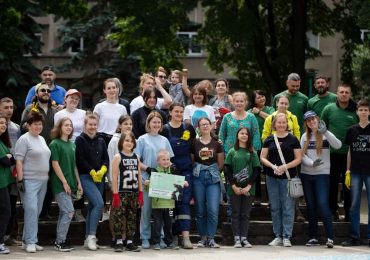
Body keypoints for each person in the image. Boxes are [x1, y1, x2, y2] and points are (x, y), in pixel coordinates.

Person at [300, 111, 341, 248]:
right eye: (308, 120)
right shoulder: (304, 136)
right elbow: (302, 155)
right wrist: (312, 163)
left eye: (313, 119)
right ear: (306, 123)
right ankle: (313, 237)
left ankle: (330, 237)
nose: (311, 122)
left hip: (322, 175)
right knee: (311, 206)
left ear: (318, 120)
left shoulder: (325, 134)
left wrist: (326, 132)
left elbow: (338, 145)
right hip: (306, 174)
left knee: (323, 203)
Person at [260, 113, 302, 247]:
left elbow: (298, 159)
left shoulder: (293, 139)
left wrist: (284, 167)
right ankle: (277, 235)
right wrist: (273, 166)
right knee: (275, 207)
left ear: (287, 124)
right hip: (272, 177)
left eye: (284, 122)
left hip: (288, 178)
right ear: (274, 124)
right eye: (279, 122)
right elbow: (262, 157)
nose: (281, 125)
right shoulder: (269, 139)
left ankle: (286, 236)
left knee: (288, 207)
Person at [134, 111, 174, 249]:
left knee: (162, 211)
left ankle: (160, 237)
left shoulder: (165, 140)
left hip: (162, 181)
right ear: (148, 123)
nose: (156, 124)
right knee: (146, 211)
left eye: (159, 122)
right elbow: (136, 161)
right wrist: (148, 169)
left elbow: (169, 161)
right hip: (147, 180)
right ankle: (144, 237)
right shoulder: (142, 139)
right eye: (154, 122)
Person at [321, 84, 358, 221]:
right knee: (332, 184)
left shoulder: (356, 110)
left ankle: (349, 214)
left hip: (351, 155)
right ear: (336, 93)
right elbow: (321, 129)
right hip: (331, 154)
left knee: (349, 185)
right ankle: (332, 211)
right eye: (341, 92)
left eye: (346, 92)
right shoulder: (328, 109)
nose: (343, 94)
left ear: (350, 95)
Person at [15, 112, 51, 253]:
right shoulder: (24, 139)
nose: (38, 126)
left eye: (40, 124)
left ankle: (27, 239)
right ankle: (31, 241)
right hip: (29, 181)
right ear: (28, 125)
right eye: (35, 124)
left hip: (43, 181)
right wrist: (20, 180)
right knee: (31, 210)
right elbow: (19, 160)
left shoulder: (42, 139)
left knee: (36, 212)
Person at [161, 103, 196, 249]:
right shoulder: (165, 129)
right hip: (170, 171)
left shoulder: (189, 128)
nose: (179, 114)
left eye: (181, 112)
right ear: (170, 112)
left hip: (186, 171)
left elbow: (193, 151)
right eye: (176, 111)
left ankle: (186, 238)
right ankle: (173, 237)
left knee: (184, 203)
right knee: (171, 205)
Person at [21, 82, 57, 221]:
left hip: (50, 151)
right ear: (37, 93)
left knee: (48, 184)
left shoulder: (55, 110)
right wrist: (33, 118)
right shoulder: (30, 108)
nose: (46, 92)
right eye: (43, 90)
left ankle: (44, 212)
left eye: (48, 90)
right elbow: (23, 128)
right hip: (34, 153)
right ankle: (33, 213)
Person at [75, 113, 109, 251]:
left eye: (95, 124)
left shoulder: (101, 140)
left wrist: (103, 169)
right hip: (86, 176)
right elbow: (80, 159)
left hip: (99, 177)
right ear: (85, 125)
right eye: (90, 124)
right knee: (99, 203)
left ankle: (87, 238)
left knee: (92, 207)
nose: (92, 127)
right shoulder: (79, 140)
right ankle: (92, 236)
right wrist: (91, 171)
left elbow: (105, 158)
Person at [49, 117, 83, 252]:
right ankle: (60, 241)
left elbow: (74, 165)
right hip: (59, 184)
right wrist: (64, 182)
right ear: (60, 127)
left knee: (65, 212)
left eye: (70, 125)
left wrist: (79, 182)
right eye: (66, 125)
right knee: (69, 211)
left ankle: (60, 240)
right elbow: (55, 164)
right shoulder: (55, 144)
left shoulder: (72, 144)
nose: (69, 127)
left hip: (71, 183)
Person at [224, 127, 261, 248]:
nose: (244, 135)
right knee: (235, 213)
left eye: (246, 134)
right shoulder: (232, 151)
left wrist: (249, 186)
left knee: (245, 214)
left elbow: (256, 170)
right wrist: (233, 186)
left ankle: (244, 238)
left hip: (248, 189)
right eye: (242, 133)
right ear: (237, 135)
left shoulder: (252, 152)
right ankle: (236, 238)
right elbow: (227, 169)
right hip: (234, 188)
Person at [191, 117, 224, 248]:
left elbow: (221, 164)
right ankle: (202, 237)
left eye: (207, 124)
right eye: (202, 125)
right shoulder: (194, 143)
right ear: (198, 127)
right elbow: (192, 161)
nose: (205, 126)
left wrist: (211, 170)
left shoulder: (217, 144)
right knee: (199, 209)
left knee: (213, 209)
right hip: (198, 177)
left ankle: (211, 237)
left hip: (213, 177)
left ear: (211, 126)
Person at [54, 89, 86, 222]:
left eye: (76, 99)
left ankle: (78, 210)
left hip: (79, 148)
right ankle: (65, 207)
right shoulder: (59, 114)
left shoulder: (83, 113)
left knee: (80, 177)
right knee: (67, 175)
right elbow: (57, 130)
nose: (74, 100)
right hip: (64, 148)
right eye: (71, 98)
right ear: (65, 99)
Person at [146, 149, 187, 250]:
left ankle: (169, 242)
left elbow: (177, 183)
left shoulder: (173, 172)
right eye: (163, 159)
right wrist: (147, 184)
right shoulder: (154, 172)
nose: (166, 161)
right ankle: (155, 242)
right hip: (157, 205)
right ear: (158, 161)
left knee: (169, 224)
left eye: (168, 159)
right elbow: (150, 189)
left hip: (169, 205)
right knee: (157, 224)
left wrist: (183, 183)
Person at [342, 100, 370, 247]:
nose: (364, 112)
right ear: (357, 112)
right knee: (354, 205)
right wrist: (347, 170)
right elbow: (349, 151)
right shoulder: (352, 130)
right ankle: (355, 236)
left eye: (366, 110)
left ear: (369, 112)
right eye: (361, 110)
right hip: (355, 172)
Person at [111, 131, 142, 252]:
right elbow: (114, 176)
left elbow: (139, 176)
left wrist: (140, 193)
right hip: (121, 192)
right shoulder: (118, 157)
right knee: (118, 216)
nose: (129, 143)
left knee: (132, 217)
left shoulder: (137, 157)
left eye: (131, 141)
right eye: (127, 141)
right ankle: (118, 240)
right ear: (121, 142)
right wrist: (115, 194)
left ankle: (129, 241)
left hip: (133, 193)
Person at [107, 115, 133, 247]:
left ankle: (125, 237)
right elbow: (112, 163)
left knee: (127, 212)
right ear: (120, 125)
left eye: (130, 124)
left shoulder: (132, 140)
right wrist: (113, 183)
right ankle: (115, 237)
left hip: (130, 183)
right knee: (116, 210)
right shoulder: (114, 141)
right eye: (125, 124)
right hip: (118, 183)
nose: (128, 126)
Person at [248, 90, 275, 204]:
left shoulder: (270, 109)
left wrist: (259, 112)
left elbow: (274, 119)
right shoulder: (249, 112)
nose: (261, 99)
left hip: (269, 145)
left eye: (263, 96)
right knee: (256, 171)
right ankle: (257, 197)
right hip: (254, 146)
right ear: (253, 100)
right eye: (258, 97)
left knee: (270, 171)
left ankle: (270, 198)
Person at [0, 98, 20, 246]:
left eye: (11, 107)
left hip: (11, 172)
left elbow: (15, 153)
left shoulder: (16, 127)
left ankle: (8, 235)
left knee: (11, 204)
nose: (9, 110)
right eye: (6, 107)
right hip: (3, 171)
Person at [93, 78, 128, 145]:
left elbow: (125, 127)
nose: (112, 90)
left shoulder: (122, 108)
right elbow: (93, 125)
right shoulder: (99, 107)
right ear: (104, 90)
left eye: (114, 88)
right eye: (109, 88)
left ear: (117, 89)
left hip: (116, 140)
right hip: (101, 140)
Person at [0, 113, 15, 254]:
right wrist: (8, 157)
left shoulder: (2, 141)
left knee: (5, 212)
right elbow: (5, 161)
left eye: (4, 123)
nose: (3, 125)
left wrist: (8, 157)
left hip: (4, 182)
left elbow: (11, 160)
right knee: (5, 212)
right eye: (0, 123)